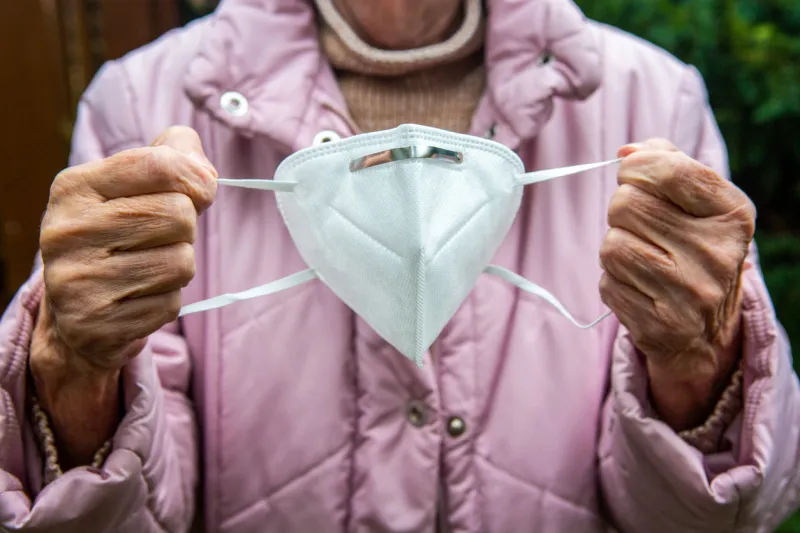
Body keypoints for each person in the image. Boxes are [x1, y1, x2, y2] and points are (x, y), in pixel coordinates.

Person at [0, 0, 797, 531]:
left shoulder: (649, 102)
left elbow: (729, 510)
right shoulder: (144, 105)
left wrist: (701, 365)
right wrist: (73, 372)